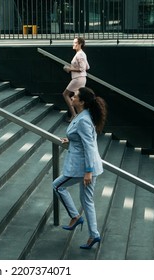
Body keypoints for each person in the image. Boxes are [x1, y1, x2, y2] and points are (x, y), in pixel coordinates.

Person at [52, 87, 107, 250]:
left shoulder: (83, 120)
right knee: (87, 201)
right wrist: (69, 140)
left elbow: (89, 146)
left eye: (75, 96)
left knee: (57, 185)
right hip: (87, 166)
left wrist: (88, 171)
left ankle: (75, 216)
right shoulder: (84, 116)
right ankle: (94, 235)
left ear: (81, 102)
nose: (72, 97)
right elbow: (83, 140)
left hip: (82, 167)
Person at [62, 37, 90, 122]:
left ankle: (74, 115)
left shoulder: (80, 54)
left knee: (65, 94)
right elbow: (87, 67)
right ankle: (79, 115)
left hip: (78, 78)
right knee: (77, 98)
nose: (73, 44)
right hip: (81, 78)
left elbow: (82, 68)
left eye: (75, 43)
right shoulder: (82, 54)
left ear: (80, 44)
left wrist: (70, 69)